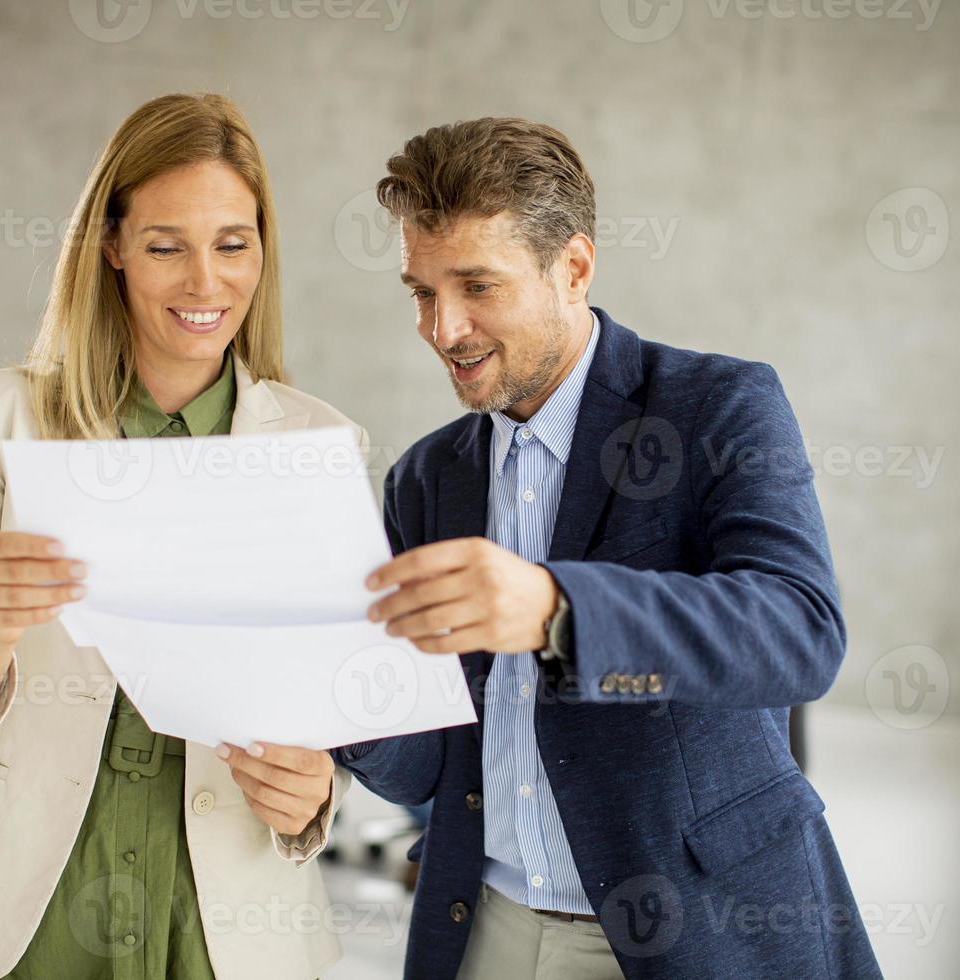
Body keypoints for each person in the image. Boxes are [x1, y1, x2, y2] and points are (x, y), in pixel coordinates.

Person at [336, 117, 883, 979]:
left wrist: (557, 610)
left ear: (574, 268)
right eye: (421, 292)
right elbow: (431, 770)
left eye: (477, 285)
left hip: (694, 932)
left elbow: (800, 634)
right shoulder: (424, 480)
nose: (444, 329)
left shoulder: (718, 408)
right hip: (485, 927)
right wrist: (348, 708)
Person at [0, 93, 360, 980]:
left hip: (217, 921)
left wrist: (318, 793)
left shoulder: (322, 447)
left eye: (232, 245)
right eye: (166, 245)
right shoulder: (2, 414)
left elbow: (342, 714)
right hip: (9, 906)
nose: (205, 284)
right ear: (113, 248)